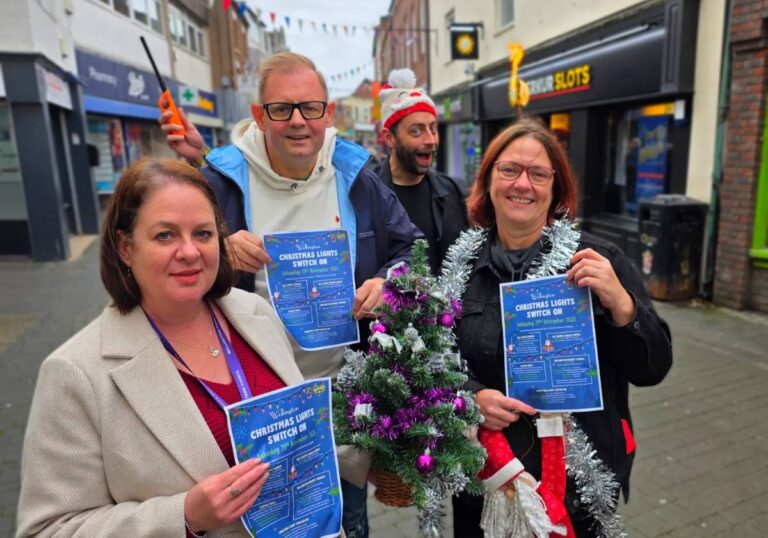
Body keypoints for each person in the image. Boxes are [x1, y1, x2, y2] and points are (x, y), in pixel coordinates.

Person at [16, 159, 364, 537]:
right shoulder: (76, 373)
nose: (189, 251)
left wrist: (373, 449)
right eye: (165, 235)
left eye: (202, 233)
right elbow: (47, 529)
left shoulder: (255, 315)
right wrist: (183, 516)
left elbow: (294, 437)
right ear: (125, 247)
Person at [160, 52, 421, 538]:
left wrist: (387, 280)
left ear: (329, 114)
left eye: (310, 108)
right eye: (281, 109)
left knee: (347, 523)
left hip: (342, 405)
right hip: (248, 405)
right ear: (259, 116)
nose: (298, 121)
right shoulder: (220, 183)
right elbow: (172, 266)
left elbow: (411, 246)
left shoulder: (356, 177)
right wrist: (217, 250)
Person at [452, 118, 673, 536]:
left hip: (577, 486)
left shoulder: (599, 259)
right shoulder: (460, 267)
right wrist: (470, 398)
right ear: (488, 180)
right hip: (485, 478)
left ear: (556, 189)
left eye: (538, 174)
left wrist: (622, 304)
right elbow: (434, 366)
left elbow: (653, 368)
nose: (523, 184)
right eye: (510, 170)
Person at [372, 68, 468, 275]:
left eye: (433, 129)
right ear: (389, 138)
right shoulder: (367, 195)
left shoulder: (456, 192)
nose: (430, 140)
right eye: (416, 131)